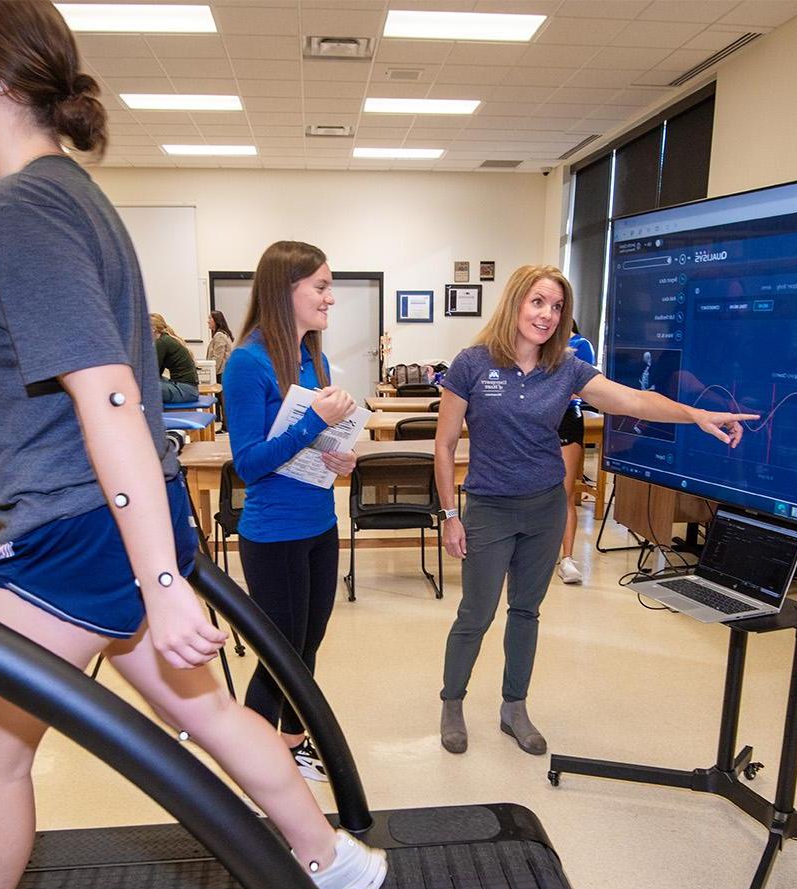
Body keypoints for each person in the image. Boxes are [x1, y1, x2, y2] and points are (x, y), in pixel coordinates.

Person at [0, 5, 384, 889]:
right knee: (203, 707)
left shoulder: (22, 210)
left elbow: (110, 395)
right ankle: (328, 856)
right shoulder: (70, 196)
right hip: (116, 506)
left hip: (85, 526)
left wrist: (164, 582)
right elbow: (67, 394)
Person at [434, 266, 757, 755]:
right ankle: (452, 702)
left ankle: (513, 707)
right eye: (538, 302)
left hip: (544, 507)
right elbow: (444, 446)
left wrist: (695, 415)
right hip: (489, 508)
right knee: (475, 613)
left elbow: (635, 401)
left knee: (526, 611)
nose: (546, 314)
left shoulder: (566, 367)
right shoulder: (472, 364)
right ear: (516, 302)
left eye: (557, 306)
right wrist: (449, 515)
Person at [221, 240, 358, 782]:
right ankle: (254, 766)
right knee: (282, 660)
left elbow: (306, 443)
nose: (330, 298)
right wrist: (311, 426)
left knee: (306, 646)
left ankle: (291, 743)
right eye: (320, 287)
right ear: (286, 290)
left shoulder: (312, 355)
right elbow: (249, 463)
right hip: (274, 534)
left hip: (320, 523)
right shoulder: (246, 362)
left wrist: (334, 453)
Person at [555, 329, 596, 584]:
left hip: (566, 418)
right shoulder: (530, 340)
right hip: (534, 418)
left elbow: (583, 389)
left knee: (565, 492)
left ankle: (567, 558)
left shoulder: (580, 345)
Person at [150, 312, 199, 404]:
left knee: (143, 387)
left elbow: (152, 372)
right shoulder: (166, 339)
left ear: (153, 329)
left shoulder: (162, 342)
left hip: (185, 391)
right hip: (189, 390)